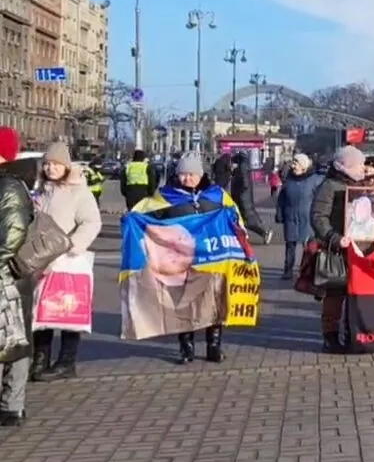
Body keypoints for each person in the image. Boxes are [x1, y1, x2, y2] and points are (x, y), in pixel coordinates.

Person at [130, 152, 239, 363]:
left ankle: (213, 345)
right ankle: (186, 346)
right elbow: (143, 215)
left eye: (191, 174)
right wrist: (132, 219)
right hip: (180, 259)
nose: (186, 179)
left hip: (212, 258)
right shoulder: (165, 196)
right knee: (184, 303)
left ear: (201, 174)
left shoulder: (217, 195)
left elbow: (235, 218)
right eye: (182, 174)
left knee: (214, 303)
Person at [28, 143, 103, 381]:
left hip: (68, 261)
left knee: (68, 310)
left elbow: (91, 222)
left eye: (56, 164)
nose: (51, 168)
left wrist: (72, 245)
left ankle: (66, 361)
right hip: (42, 259)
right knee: (42, 312)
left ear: (66, 166)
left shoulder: (78, 191)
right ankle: (40, 359)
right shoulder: (40, 189)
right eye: (48, 164)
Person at [310, 145, 374, 354]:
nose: (362, 168)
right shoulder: (330, 186)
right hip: (338, 250)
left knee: (357, 295)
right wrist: (334, 238)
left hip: (361, 251)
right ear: (346, 165)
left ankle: (354, 334)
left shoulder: (364, 186)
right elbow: (318, 217)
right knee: (335, 294)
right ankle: (330, 337)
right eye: (359, 164)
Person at [0, 127, 34, 426]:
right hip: (5, 274)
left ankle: (13, 404)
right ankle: (11, 404)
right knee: (10, 339)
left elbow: (12, 235)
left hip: (8, 275)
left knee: (14, 340)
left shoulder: (10, 187)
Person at [275, 153, 323, 280]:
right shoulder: (288, 180)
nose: (293, 165)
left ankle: (307, 271)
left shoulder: (314, 180)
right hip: (290, 217)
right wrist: (279, 214)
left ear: (303, 166)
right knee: (290, 245)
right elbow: (281, 199)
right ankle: (288, 270)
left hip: (307, 218)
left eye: (296, 163)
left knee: (308, 247)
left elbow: (319, 200)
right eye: (293, 163)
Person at [229, 153, 273, 244]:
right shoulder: (242, 168)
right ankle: (244, 236)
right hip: (242, 198)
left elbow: (244, 184)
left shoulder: (242, 168)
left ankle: (264, 232)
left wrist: (240, 193)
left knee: (247, 221)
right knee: (240, 219)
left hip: (243, 199)